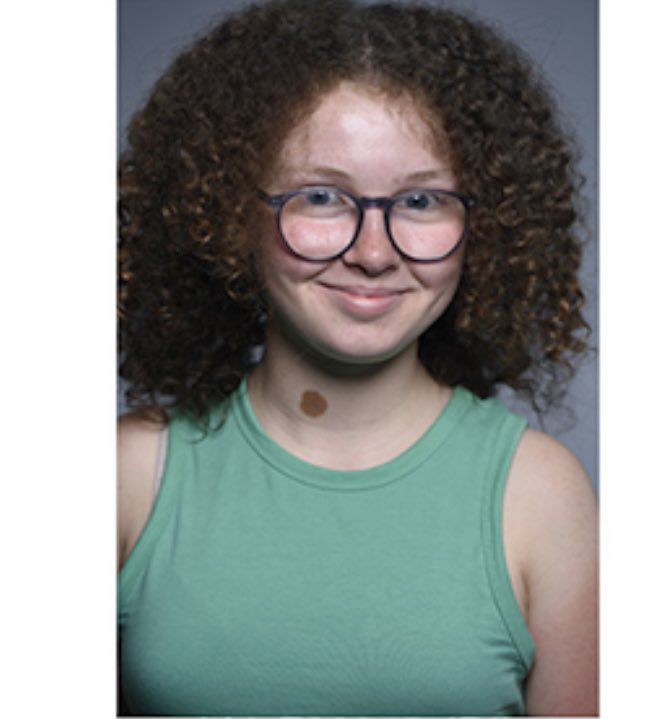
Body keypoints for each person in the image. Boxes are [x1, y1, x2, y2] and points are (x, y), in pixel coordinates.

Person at [117, 0, 598, 715]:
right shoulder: (127, 475)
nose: (373, 253)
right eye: (321, 196)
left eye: (422, 201)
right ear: (226, 214)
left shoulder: (543, 496)